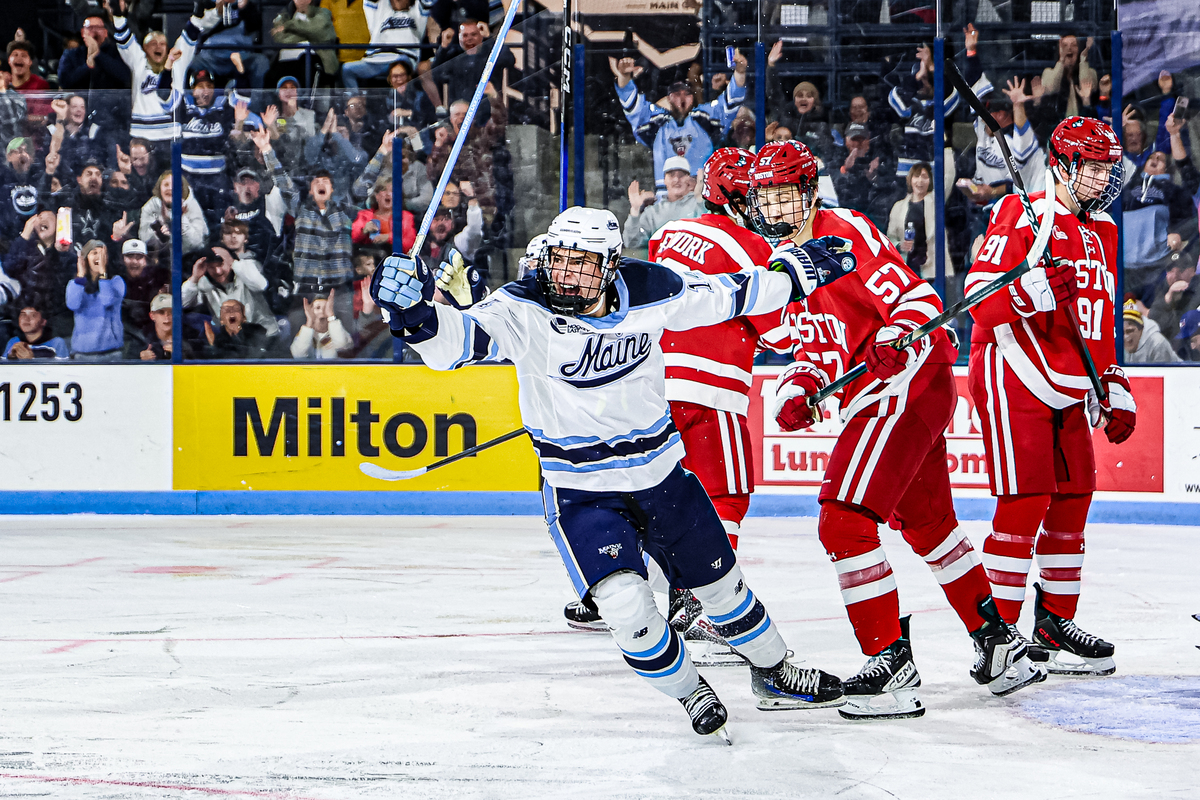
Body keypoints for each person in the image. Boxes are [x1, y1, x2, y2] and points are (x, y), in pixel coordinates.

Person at [370, 205, 848, 739]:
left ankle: (776, 672)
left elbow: (730, 294)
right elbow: (452, 345)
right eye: (559, 261)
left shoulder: (651, 289)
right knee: (626, 607)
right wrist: (413, 314)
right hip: (584, 495)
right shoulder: (521, 307)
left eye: (582, 264)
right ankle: (691, 692)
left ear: (611, 264)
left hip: (664, 481)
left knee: (724, 591)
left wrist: (797, 273)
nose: (565, 275)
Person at [749, 139, 1044, 719]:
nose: (775, 209)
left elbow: (915, 298)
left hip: (909, 379)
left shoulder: (846, 232)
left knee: (844, 519)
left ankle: (890, 663)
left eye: (785, 196)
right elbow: (815, 349)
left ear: (808, 193)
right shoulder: (782, 263)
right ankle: (1001, 644)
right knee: (931, 527)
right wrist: (799, 389)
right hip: (892, 387)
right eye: (766, 197)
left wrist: (894, 337)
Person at [967, 117, 1134, 678]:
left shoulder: (1104, 230)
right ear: (1062, 166)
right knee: (1025, 499)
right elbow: (978, 300)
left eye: (1108, 168)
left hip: (1068, 379)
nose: (1102, 179)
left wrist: (1113, 380)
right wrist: (1032, 287)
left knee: (1074, 494)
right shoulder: (1022, 214)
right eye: (1092, 168)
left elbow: (1101, 316)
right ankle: (1001, 641)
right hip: (1012, 367)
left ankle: (1051, 625)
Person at [250, 122, 356, 333]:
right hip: (306, 288)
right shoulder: (299, 208)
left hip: (340, 288)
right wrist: (266, 149)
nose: (321, 184)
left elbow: (366, 182)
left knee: (347, 339)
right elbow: (282, 180)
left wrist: (382, 152)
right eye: (316, 182)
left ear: (332, 188)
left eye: (325, 181)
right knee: (299, 333)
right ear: (310, 190)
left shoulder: (344, 210)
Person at [612, 50, 747, 194]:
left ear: (693, 96)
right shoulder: (657, 123)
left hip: (700, 198)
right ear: (669, 98)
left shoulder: (705, 118)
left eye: (687, 93)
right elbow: (633, 108)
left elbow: (730, 102)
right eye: (676, 94)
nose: (681, 99)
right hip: (666, 200)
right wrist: (624, 78)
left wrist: (740, 72)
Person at [112, 0, 218, 144]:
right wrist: (118, 16)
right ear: (144, 49)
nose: (158, 46)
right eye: (153, 44)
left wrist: (198, 13)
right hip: (141, 134)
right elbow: (124, 40)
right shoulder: (139, 62)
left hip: (170, 134)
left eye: (162, 43)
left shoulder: (176, 62)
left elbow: (189, 37)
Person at [182, 244, 279, 338]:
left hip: (264, 336)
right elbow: (183, 303)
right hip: (230, 340)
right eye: (212, 267)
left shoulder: (246, 268)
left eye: (221, 264)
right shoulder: (204, 282)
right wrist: (194, 278)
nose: (218, 271)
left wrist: (233, 262)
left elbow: (261, 285)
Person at [4, 210, 74, 335]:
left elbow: (65, 285)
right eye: (40, 217)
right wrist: (24, 236)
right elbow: (9, 267)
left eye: (49, 218)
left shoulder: (64, 254)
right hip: (23, 320)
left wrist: (62, 253)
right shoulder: (25, 247)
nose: (42, 220)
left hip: (54, 322)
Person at [342, 0, 430, 90]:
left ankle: (405, 99)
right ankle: (355, 100)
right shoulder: (380, 8)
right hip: (378, 60)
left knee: (400, 66)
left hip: (404, 57)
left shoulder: (418, 11)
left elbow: (429, 2)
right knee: (347, 69)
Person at [886, 162, 950, 281]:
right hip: (908, 269)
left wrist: (946, 147)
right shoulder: (899, 207)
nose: (920, 181)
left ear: (930, 180)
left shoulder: (936, 200)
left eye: (925, 177)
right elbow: (890, 237)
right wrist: (900, 245)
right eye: (917, 176)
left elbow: (948, 177)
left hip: (933, 270)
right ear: (910, 179)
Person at [622, 156, 702, 250]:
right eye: (671, 175)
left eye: (681, 175)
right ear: (664, 180)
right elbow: (631, 242)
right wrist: (635, 209)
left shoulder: (698, 204)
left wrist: (701, 198)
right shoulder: (652, 213)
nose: (676, 180)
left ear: (688, 179)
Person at [66, 239, 127, 360]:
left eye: (102, 253)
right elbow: (73, 305)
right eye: (94, 253)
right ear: (85, 258)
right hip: (82, 353)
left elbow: (107, 301)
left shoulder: (116, 281)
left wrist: (103, 274)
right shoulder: (75, 284)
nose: (99, 257)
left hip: (111, 352)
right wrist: (81, 277)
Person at [140, 171, 210, 265]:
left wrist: (181, 219)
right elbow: (143, 238)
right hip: (162, 259)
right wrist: (159, 234)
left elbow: (196, 243)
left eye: (175, 184)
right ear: (159, 187)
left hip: (189, 259)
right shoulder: (151, 206)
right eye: (166, 184)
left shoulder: (192, 206)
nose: (170, 188)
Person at [270, 0, 340, 87]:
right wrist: (308, 34)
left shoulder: (323, 13)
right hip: (286, 60)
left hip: (316, 58)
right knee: (270, 73)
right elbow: (279, 38)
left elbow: (316, 30)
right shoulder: (284, 15)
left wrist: (288, 26)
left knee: (305, 60)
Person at [202, 297, 271, 358]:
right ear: (221, 320)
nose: (231, 311)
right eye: (226, 310)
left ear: (243, 317)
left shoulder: (257, 331)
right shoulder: (218, 339)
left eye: (236, 309)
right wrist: (212, 345)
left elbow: (259, 355)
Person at [290, 290, 352, 358]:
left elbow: (342, 346)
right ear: (310, 311)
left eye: (326, 308)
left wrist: (331, 316)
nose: (322, 311)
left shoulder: (340, 332)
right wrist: (309, 323)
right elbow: (298, 354)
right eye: (318, 308)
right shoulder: (304, 334)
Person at [4, 302, 69, 359]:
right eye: (23, 315)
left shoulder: (57, 343)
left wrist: (31, 359)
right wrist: (11, 356)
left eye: (33, 315)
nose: (26, 319)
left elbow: (62, 369)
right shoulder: (13, 342)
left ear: (43, 321)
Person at [5, 41, 51, 123]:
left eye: (23, 56)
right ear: (9, 60)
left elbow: (41, 118)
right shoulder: (3, 84)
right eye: (15, 55)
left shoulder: (40, 84)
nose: (19, 58)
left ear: (30, 62)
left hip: (30, 134)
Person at [1123, 299, 1178, 363]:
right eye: (1122, 333)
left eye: (1130, 331)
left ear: (1141, 328)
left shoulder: (1157, 343)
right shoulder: (1123, 345)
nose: (1126, 337)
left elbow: (1162, 372)